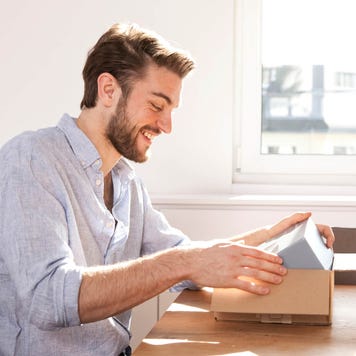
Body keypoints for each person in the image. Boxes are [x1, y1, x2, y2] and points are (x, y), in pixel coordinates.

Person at [0, 23, 334, 356]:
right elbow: (47, 297)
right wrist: (183, 261)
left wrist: (272, 240)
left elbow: (187, 259)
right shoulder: (30, 159)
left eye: (171, 111)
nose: (166, 126)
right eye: (157, 106)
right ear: (108, 90)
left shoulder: (126, 183)